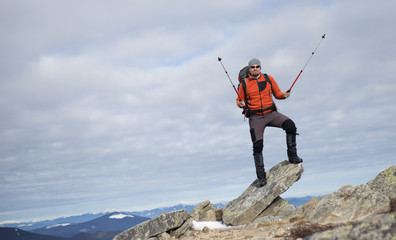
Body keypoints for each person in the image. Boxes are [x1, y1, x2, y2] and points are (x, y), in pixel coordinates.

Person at [236, 58, 303, 187]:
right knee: (257, 146)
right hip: (256, 118)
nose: (255, 69)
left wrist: (283, 95)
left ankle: (293, 156)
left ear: (260, 68)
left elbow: (277, 93)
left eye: (257, 66)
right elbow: (239, 100)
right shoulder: (244, 84)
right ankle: (261, 177)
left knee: (290, 126)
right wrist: (241, 103)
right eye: (253, 67)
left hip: (272, 114)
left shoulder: (268, 78)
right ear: (249, 69)